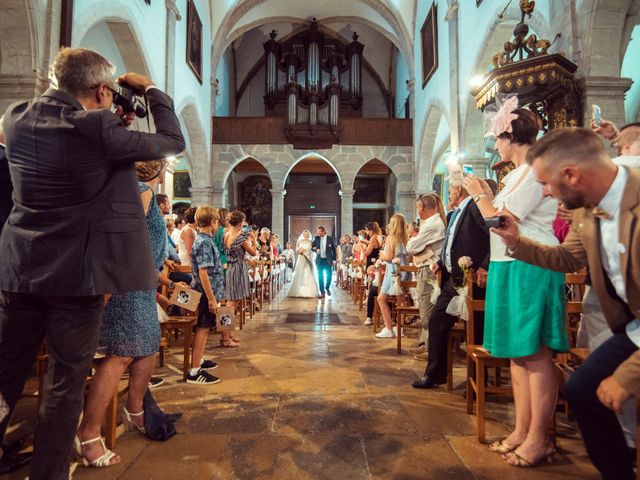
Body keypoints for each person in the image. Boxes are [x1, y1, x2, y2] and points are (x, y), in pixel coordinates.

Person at [0, 47, 184, 480]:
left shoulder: (16, 116)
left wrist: (108, 120)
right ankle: (46, 473)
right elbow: (172, 141)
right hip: (77, 277)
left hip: (20, 269)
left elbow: (72, 150)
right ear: (103, 90)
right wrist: (153, 91)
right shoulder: (99, 127)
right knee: (64, 384)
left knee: (5, 374)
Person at [492, 127, 640, 480]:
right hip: (632, 328)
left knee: (597, 386)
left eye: (546, 184)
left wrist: (629, 375)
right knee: (581, 389)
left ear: (571, 175)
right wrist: (516, 242)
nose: (543, 192)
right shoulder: (588, 207)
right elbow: (567, 259)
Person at [463, 104, 566, 468]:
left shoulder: (536, 171)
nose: (494, 144)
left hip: (533, 264)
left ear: (513, 135)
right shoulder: (514, 175)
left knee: (535, 354)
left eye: (497, 137)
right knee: (516, 353)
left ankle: (541, 437)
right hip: (510, 264)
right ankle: (523, 429)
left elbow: (503, 219)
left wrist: (477, 192)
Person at [76, 159, 181, 467]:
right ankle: (89, 433)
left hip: (141, 283)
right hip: (127, 283)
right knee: (121, 354)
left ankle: (135, 407)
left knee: (147, 347)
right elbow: (121, 239)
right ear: (158, 168)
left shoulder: (140, 190)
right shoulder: (139, 191)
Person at [412, 181, 489, 389]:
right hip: (453, 278)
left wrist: (485, 265)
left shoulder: (474, 207)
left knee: (476, 329)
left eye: (450, 190)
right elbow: (450, 244)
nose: (447, 195)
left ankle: (479, 382)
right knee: (438, 321)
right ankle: (435, 374)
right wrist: (440, 263)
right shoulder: (455, 214)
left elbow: (492, 235)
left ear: (459, 190)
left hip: (472, 277)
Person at [188, 206, 227, 382]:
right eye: (217, 221)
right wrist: (211, 299)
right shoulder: (203, 242)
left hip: (209, 291)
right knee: (202, 329)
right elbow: (203, 273)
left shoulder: (205, 239)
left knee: (205, 327)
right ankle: (195, 371)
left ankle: (199, 360)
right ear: (212, 222)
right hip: (205, 293)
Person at [405, 194, 446, 353]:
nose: (417, 211)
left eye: (417, 207)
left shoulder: (431, 225)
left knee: (427, 309)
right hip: (429, 268)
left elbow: (411, 247)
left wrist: (412, 240)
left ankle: (430, 349)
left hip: (428, 270)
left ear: (422, 207)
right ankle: (425, 345)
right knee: (426, 307)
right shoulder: (433, 222)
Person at [223, 211, 258, 344]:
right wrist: (254, 241)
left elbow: (225, 251)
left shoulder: (225, 236)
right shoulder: (241, 238)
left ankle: (229, 334)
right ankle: (225, 337)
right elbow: (253, 253)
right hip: (238, 268)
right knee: (231, 304)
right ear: (239, 223)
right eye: (243, 222)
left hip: (230, 267)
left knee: (233, 301)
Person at [375, 214, 410, 338]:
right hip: (405, 270)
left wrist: (382, 255)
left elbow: (389, 257)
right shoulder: (406, 237)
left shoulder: (391, 237)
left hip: (394, 272)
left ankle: (388, 328)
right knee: (401, 301)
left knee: (381, 299)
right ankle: (399, 329)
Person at [288, 230, 321, 298]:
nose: (306, 235)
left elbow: (312, 249)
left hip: (308, 258)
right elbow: (296, 250)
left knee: (308, 273)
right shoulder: (300, 241)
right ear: (303, 234)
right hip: (301, 258)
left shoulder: (310, 242)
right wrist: (299, 251)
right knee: (300, 273)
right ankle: (299, 291)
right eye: (305, 234)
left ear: (309, 235)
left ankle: (309, 291)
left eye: (307, 234)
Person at [312, 226, 336, 298]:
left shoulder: (330, 239)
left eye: (319, 231)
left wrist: (334, 259)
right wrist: (316, 250)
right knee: (320, 276)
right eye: (317, 231)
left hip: (328, 260)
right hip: (319, 261)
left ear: (323, 231)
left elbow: (334, 250)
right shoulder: (316, 238)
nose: (318, 233)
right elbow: (312, 247)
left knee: (329, 275)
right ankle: (322, 292)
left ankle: (327, 287)